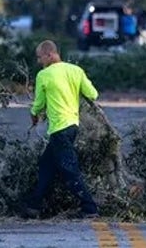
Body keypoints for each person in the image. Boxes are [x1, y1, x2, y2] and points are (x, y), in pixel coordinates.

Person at [22, 40, 100, 219]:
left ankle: (90, 208)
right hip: (73, 126)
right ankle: (33, 206)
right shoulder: (76, 71)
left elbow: (39, 104)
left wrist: (33, 114)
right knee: (46, 165)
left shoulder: (44, 74)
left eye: (40, 57)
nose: (39, 61)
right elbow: (93, 94)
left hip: (59, 129)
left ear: (49, 54)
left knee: (69, 168)